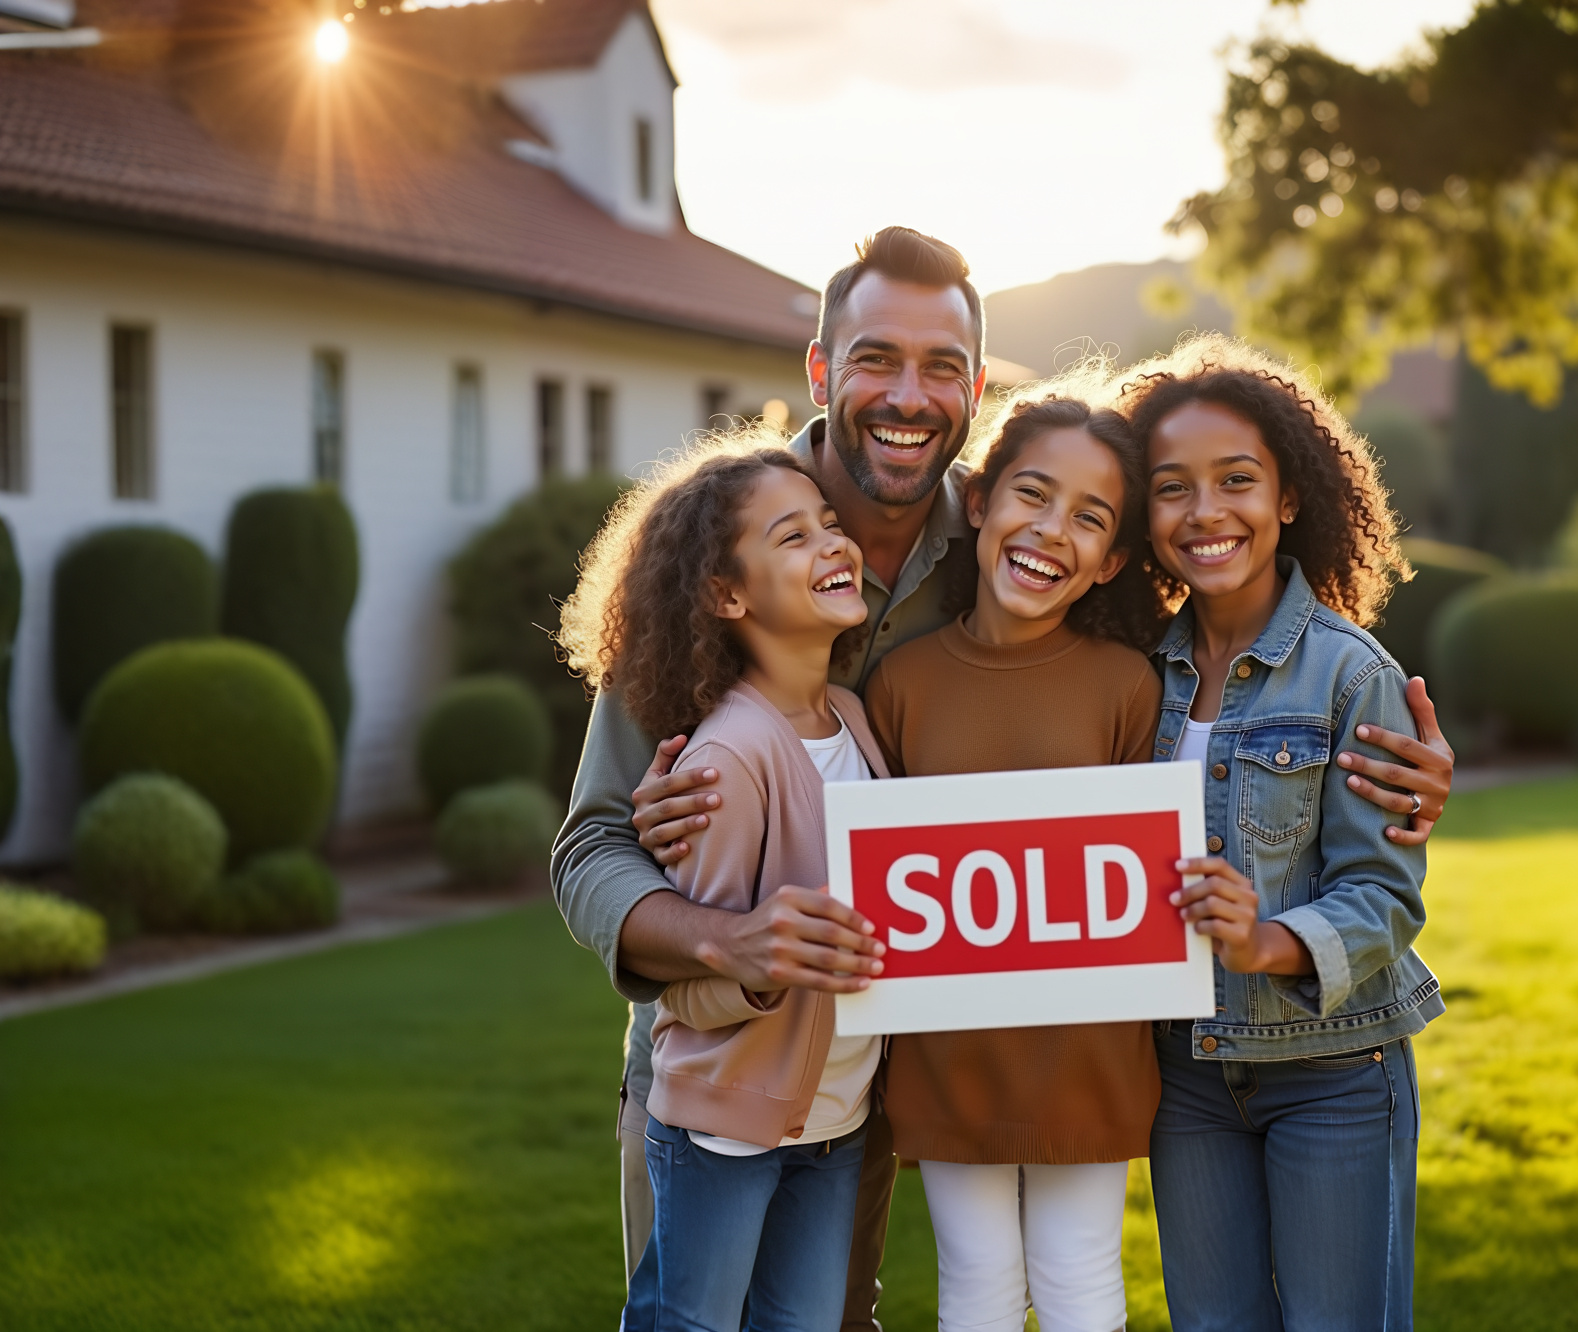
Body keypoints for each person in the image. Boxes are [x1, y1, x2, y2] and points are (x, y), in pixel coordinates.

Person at [552, 226, 1456, 1331]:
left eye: (941, 368)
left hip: (888, 1060)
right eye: (876, 357)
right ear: (820, 368)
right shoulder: (729, 536)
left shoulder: (1015, 551)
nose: (906, 392)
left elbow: (1194, 656)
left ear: (973, 393)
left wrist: (1372, 756)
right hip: (719, 1060)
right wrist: (709, 932)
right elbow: (594, 844)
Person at [1124, 336, 1442, 1332]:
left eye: (1235, 481)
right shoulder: (1136, 675)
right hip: (1186, 1077)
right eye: (1171, 487)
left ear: (1288, 498)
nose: (1204, 511)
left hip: (1332, 1073)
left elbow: (1383, 896)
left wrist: (1266, 938)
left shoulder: (1351, 675)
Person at [559, 438, 889, 1330]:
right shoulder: (727, 759)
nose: (831, 543)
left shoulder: (854, 723)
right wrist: (752, 966)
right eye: (792, 537)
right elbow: (688, 994)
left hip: (833, 1120)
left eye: (829, 524)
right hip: (724, 1128)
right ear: (725, 595)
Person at [863, 396, 1168, 1332]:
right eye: (1031, 495)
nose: (1050, 531)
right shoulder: (900, 683)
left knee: (1081, 1286)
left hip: (1089, 1059)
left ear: (1112, 560)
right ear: (981, 505)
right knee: (976, 1288)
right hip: (949, 1061)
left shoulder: (1127, 686)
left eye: (1089, 517)